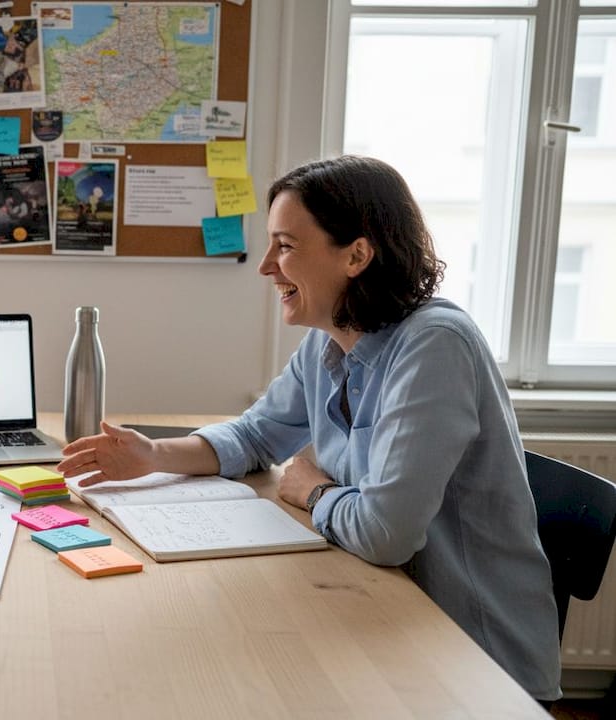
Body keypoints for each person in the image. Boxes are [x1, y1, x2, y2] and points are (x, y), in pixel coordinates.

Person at [57, 155, 562, 703]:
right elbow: (255, 437)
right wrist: (154, 454)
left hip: (471, 657)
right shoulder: (331, 339)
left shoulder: (435, 345)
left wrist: (313, 490)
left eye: (286, 246)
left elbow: (385, 535)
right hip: (390, 614)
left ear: (357, 255)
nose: (266, 266)